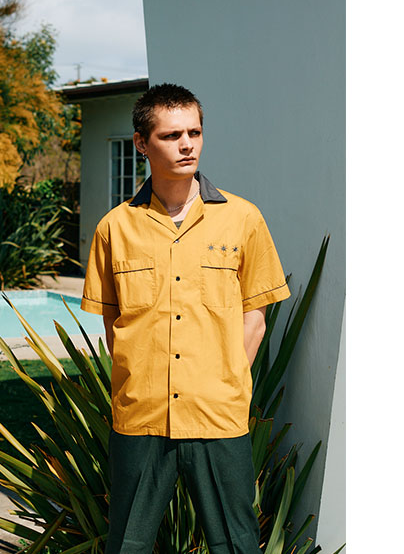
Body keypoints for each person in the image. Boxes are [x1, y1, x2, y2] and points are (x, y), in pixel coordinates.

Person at [81, 84, 290, 554]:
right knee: (127, 545)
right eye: (172, 135)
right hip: (142, 418)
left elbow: (254, 319)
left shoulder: (243, 219)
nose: (187, 145)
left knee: (236, 543)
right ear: (141, 143)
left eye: (194, 133)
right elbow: (114, 326)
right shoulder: (114, 228)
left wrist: (226, 382)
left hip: (217, 416)